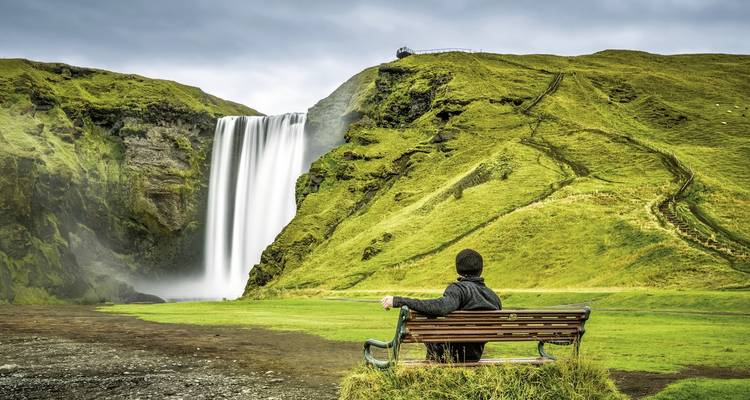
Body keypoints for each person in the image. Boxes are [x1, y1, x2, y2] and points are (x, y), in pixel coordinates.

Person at [380, 248, 501, 363]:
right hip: (475, 355)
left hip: (447, 353)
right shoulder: (493, 297)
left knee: (430, 326)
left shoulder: (459, 289)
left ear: (458, 269)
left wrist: (398, 300)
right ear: (481, 269)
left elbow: (440, 307)